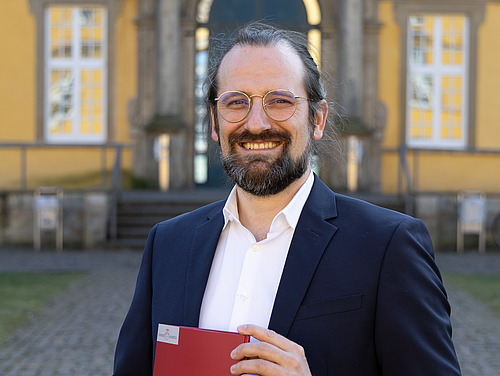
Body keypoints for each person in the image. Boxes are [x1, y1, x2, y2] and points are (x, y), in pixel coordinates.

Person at [113, 23, 461, 376]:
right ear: (215, 124)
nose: (257, 123)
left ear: (317, 119)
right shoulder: (168, 244)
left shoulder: (389, 245)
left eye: (279, 101)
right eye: (236, 102)